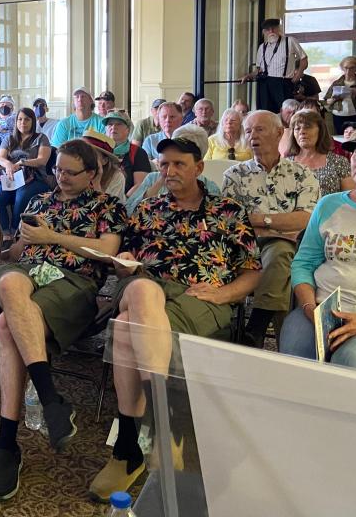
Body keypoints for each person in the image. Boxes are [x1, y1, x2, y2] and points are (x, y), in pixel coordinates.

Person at [88, 129, 261, 500]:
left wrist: (224, 293)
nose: (169, 171)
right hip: (145, 289)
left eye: (179, 164)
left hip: (201, 299)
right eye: (163, 164)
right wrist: (126, 264)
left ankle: (129, 448)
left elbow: (252, 270)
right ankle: (165, 426)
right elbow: (124, 264)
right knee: (141, 288)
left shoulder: (227, 211)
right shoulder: (149, 209)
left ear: (199, 167)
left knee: (123, 328)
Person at [0, 140, 127, 503]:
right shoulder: (40, 202)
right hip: (28, 272)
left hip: (72, 281)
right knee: (10, 278)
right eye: (58, 170)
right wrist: (18, 242)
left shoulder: (107, 205)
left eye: (71, 172)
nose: (61, 177)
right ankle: (51, 399)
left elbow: (107, 253)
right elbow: (18, 253)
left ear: (93, 173)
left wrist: (52, 236)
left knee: (5, 327)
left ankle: (6, 443)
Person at [281, 125, 356, 374]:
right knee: (296, 362)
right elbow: (304, 263)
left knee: (349, 363)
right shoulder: (330, 205)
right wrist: (309, 308)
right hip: (320, 310)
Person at [222, 110, 320, 346]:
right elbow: (230, 221)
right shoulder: (235, 174)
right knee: (282, 260)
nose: (252, 136)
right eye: (248, 131)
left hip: (288, 250)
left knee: (279, 252)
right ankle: (286, 347)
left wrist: (258, 220)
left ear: (279, 133)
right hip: (244, 248)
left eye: (259, 129)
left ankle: (255, 328)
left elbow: (306, 219)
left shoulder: (301, 174)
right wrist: (278, 225)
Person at [126, 125, 221, 213]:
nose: (170, 172)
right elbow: (127, 213)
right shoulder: (152, 179)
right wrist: (158, 183)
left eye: (179, 163)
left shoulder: (210, 188)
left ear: (198, 165)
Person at [0, 107, 52, 239]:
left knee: (21, 197)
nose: (23, 122)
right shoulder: (9, 139)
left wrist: (22, 163)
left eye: (27, 119)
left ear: (33, 121)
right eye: (20, 119)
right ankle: (5, 234)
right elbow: (0, 158)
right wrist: (9, 164)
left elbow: (42, 160)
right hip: (12, 177)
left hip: (35, 178)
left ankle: (16, 231)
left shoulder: (41, 138)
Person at [241, 18, 309, 112]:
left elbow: (304, 59)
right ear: (264, 32)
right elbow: (259, 70)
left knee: (286, 112)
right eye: (268, 29)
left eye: (274, 28)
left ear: (278, 28)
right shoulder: (262, 47)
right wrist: (248, 76)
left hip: (283, 84)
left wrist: (298, 74)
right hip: (265, 84)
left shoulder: (289, 41)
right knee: (265, 113)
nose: (271, 31)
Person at [286, 109, 354, 196]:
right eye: (297, 128)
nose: (302, 132)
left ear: (320, 130)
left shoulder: (339, 162)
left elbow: (350, 199)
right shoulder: (285, 164)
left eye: (308, 126)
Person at [103, 109, 151, 194]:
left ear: (128, 130)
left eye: (119, 124)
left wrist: (123, 201)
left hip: (127, 201)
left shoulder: (138, 153)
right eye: (110, 124)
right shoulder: (98, 151)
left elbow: (140, 185)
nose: (113, 127)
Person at [325, 56, 356, 135]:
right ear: (342, 68)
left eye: (351, 68)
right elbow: (328, 101)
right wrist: (335, 99)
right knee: (341, 139)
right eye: (346, 68)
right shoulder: (336, 83)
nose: (348, 71)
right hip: (339, 116)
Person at [84, 130, 127, 202]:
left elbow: (107, 209)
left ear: (105, 160)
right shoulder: (75, 171)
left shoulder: (116, 176)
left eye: (92, 154)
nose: (85, 157)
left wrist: (96, 183)